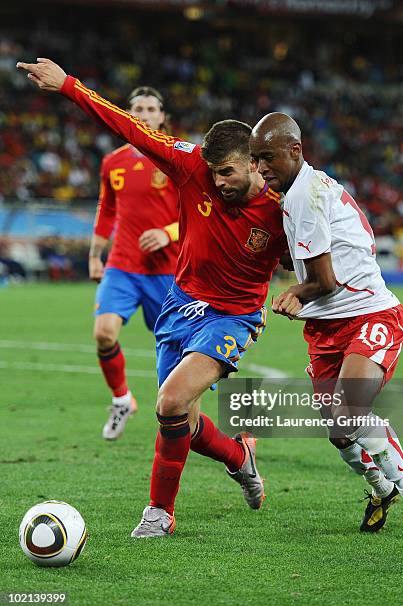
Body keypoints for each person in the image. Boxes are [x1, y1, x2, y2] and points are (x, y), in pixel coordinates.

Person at [16, 58, 286, 537]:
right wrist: (69, 86)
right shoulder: (189, 165)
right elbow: (129, 127)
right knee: (183, 418)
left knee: (169, 401)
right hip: (180, 305)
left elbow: (320, 253)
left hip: (233, 316)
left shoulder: (284, 209)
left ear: (253, 163)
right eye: (213, 172)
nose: (218, 182)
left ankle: (159, 514)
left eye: (227, 173)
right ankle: (239, 456)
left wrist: (307, 290)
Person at [249, 112, 403, 553]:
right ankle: (383, 490)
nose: (261, 168)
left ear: (294, 151)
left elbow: (325, 282)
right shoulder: (300, 191)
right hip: (326, 329)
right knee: (340, 434)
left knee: (347, 412)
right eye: (255, 160)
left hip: (370, 315)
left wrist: (294, 293)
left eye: (267, 158)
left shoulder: (303, 196)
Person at [89, 86, 179, 440]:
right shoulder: (113, 161)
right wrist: (96, 254)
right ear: (127, 114)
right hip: (123, 265)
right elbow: (106, 210)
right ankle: (121, 398)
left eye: (151, 108)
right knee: (103, 333)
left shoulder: (175, 156)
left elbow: (199, 214)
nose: (143, 113)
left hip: (169, 271)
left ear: (162, 116)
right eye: (137, 108)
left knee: (180, 353)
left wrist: (167, 233)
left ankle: (194, 420)